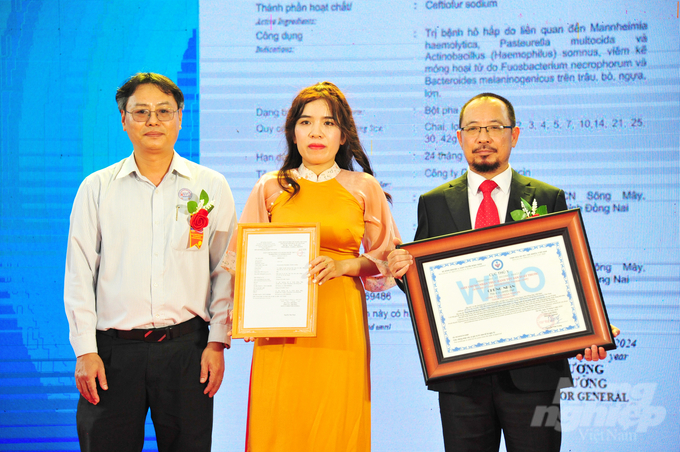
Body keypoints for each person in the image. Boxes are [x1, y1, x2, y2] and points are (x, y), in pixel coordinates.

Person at [388, 92, 620, 452]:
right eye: (473, 128)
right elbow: (426, 282)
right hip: (461, 379)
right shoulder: (432, 203)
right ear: (459, 137)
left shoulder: (547, 198)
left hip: (536, 375)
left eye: (495, 127)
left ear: (514, 135)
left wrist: (591, 327)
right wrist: (404, 274)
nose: (483, 137)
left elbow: (569, 276)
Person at [64, 72, 237, 452]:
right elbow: (79, 274)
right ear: (124, 120)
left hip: (187, 351)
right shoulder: (97, 188)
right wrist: (85, 351)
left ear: (179, 117)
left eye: (163, 111)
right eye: (141, 112)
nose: (153, 121)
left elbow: (224, 270)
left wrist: (218, 343)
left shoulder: (211, 186)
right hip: (111, 354)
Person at [222, 81, 399, 451]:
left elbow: (384, 257)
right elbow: (242, 264)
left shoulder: (363, 186)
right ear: (293, 132)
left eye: (328, 123)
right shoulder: (269, 187)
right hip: (280, 332)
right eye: (306, 122)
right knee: (280, 425)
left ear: (343, 134)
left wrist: (344, 266)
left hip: (340, 325)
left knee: (336, 424)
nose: (316, 132)